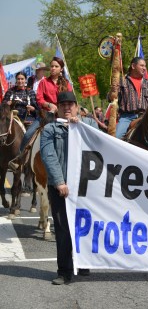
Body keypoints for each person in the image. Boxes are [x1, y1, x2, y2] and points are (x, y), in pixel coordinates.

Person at [40, 91, 97, 285]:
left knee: (84, 226)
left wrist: (80, 125)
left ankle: (83, 262)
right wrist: (59, 182)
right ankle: (64, 271)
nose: (67, 107)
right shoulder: (49, 129)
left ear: (76, 106)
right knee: (63, 229)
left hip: (84, 187)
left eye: (70, 104)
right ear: (58, 106)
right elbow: (49, 156)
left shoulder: (87, 125)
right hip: (61, 188)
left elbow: (99, 142)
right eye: (63, 104)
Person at [8, 57, 72, 171]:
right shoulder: (44, 82)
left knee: (76, 133)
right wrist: (49, 105)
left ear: (61, 69)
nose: (53, 68)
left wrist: (64, 108)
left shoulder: (67, 83)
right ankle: (19, 159)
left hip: (63, 116)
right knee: (28, 134)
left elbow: (70, 99)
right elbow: (39, 99)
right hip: (45, 116)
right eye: (52, 66)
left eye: (56, 66)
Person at [114, 57, 148, 139]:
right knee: (116, 137)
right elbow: (111, 98)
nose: (144, 68)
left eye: (145, 66)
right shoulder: (122, 81)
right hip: (127, 117)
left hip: (145, 117)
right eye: (142, 65)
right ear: (133, 66)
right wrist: (112, 91)